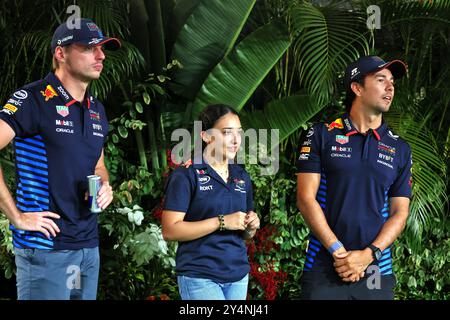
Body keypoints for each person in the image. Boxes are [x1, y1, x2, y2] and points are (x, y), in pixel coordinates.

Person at [0, 18, 120, 300]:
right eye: (90, 48)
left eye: (102, 49)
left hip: (87, 248)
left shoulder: (96, 109)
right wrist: (16, 216)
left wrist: (104, 185)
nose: (101, 56)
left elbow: (98, 164)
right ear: (60, 53)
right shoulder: (32, 98)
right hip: (45, 249)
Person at [296, 55, 413, 300]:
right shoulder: (321, 135)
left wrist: (368, 255)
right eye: (381, 80)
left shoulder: (400, 148)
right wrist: (338, 251)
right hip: (324, 265)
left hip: (376, 270)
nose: (390, 87)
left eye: (392, 81)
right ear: (357, 87)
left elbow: (400, 212)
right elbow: (306, 199)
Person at [162, 104, 260, 300]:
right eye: (226, 133)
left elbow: (246, 235)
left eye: (239, 133)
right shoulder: (186, 175)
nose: (235, 140)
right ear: (206, 136)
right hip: (200, 275)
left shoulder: (242, 176)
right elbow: (169, 230)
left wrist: (251, 226)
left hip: (237, 275)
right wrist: (221, 221)